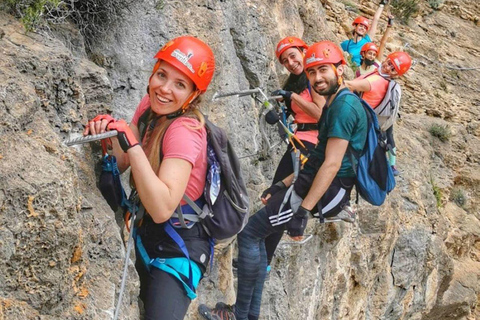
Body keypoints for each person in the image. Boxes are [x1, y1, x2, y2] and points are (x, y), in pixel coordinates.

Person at [199, 41, 368, 320]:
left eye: (323, 70)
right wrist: (281, 185)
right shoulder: (335, 103)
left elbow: (332, 163)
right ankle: (246, 315)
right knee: (257, 234)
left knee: (251, 234)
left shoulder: (344, 107)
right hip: (312, 183)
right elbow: (315, 160)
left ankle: (240, 315)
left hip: (325, 190)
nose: (316, 78)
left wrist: (303, 211)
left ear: (341, 69)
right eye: (312, 73)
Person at [84, 36, 215, 320]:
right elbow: (120, 162)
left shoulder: (186, 132)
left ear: (193, 95)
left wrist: (130, 143)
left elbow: (162, 207)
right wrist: (106, 134)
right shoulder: (149, 106)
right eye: (161, 75)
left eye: (180, 84)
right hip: (148, 231)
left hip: (179, 245)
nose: (164, 89)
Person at [263, 36, 325, 272]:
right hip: (298, 142)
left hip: (311, 145)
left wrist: (292, 97)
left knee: (279, 198)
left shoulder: (313, 78)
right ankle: (264, 258)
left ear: (303, 51)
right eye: (285, 60)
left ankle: (263, 260)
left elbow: (320, 114)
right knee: (276, 195)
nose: (290, 62)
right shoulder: (293, 82)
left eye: (293, 55)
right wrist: (278, 115)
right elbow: (293, 115)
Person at [345, 50, 412, 175]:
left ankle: (392, 165)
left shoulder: (378, 80)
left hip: (359, 119)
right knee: (388, 136)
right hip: (372, 118)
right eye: (389, 63)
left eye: (392, 69)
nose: (387, 68)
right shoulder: (379, 73)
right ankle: (391, 164)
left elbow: (349, 85)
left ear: (396, 74)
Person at [340, 0, 389, 66]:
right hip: (352, 71)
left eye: (365, 27)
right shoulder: (347, 44)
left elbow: (375, 20)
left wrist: (382, 4)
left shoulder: (367, 40)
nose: (362, 28)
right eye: (360, 26)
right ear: (355, 26)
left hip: (364, 71)